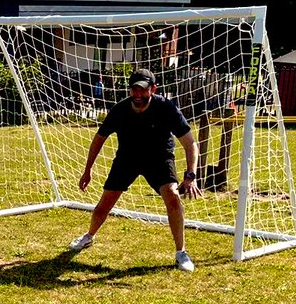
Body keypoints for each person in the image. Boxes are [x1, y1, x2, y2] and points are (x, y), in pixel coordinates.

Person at [69, 68, 201, 272]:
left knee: (172, 197)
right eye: (134, 89)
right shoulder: (120, 110)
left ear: (153, 89)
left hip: (159, 159)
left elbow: (190, 143)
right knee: (105, 204)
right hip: (127, 158)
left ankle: (181, 253)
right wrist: (87, 170)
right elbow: (99, 139)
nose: (138, 95)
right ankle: (89, 236)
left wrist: (190, 175)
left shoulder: (167, 108)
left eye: (143, 90)